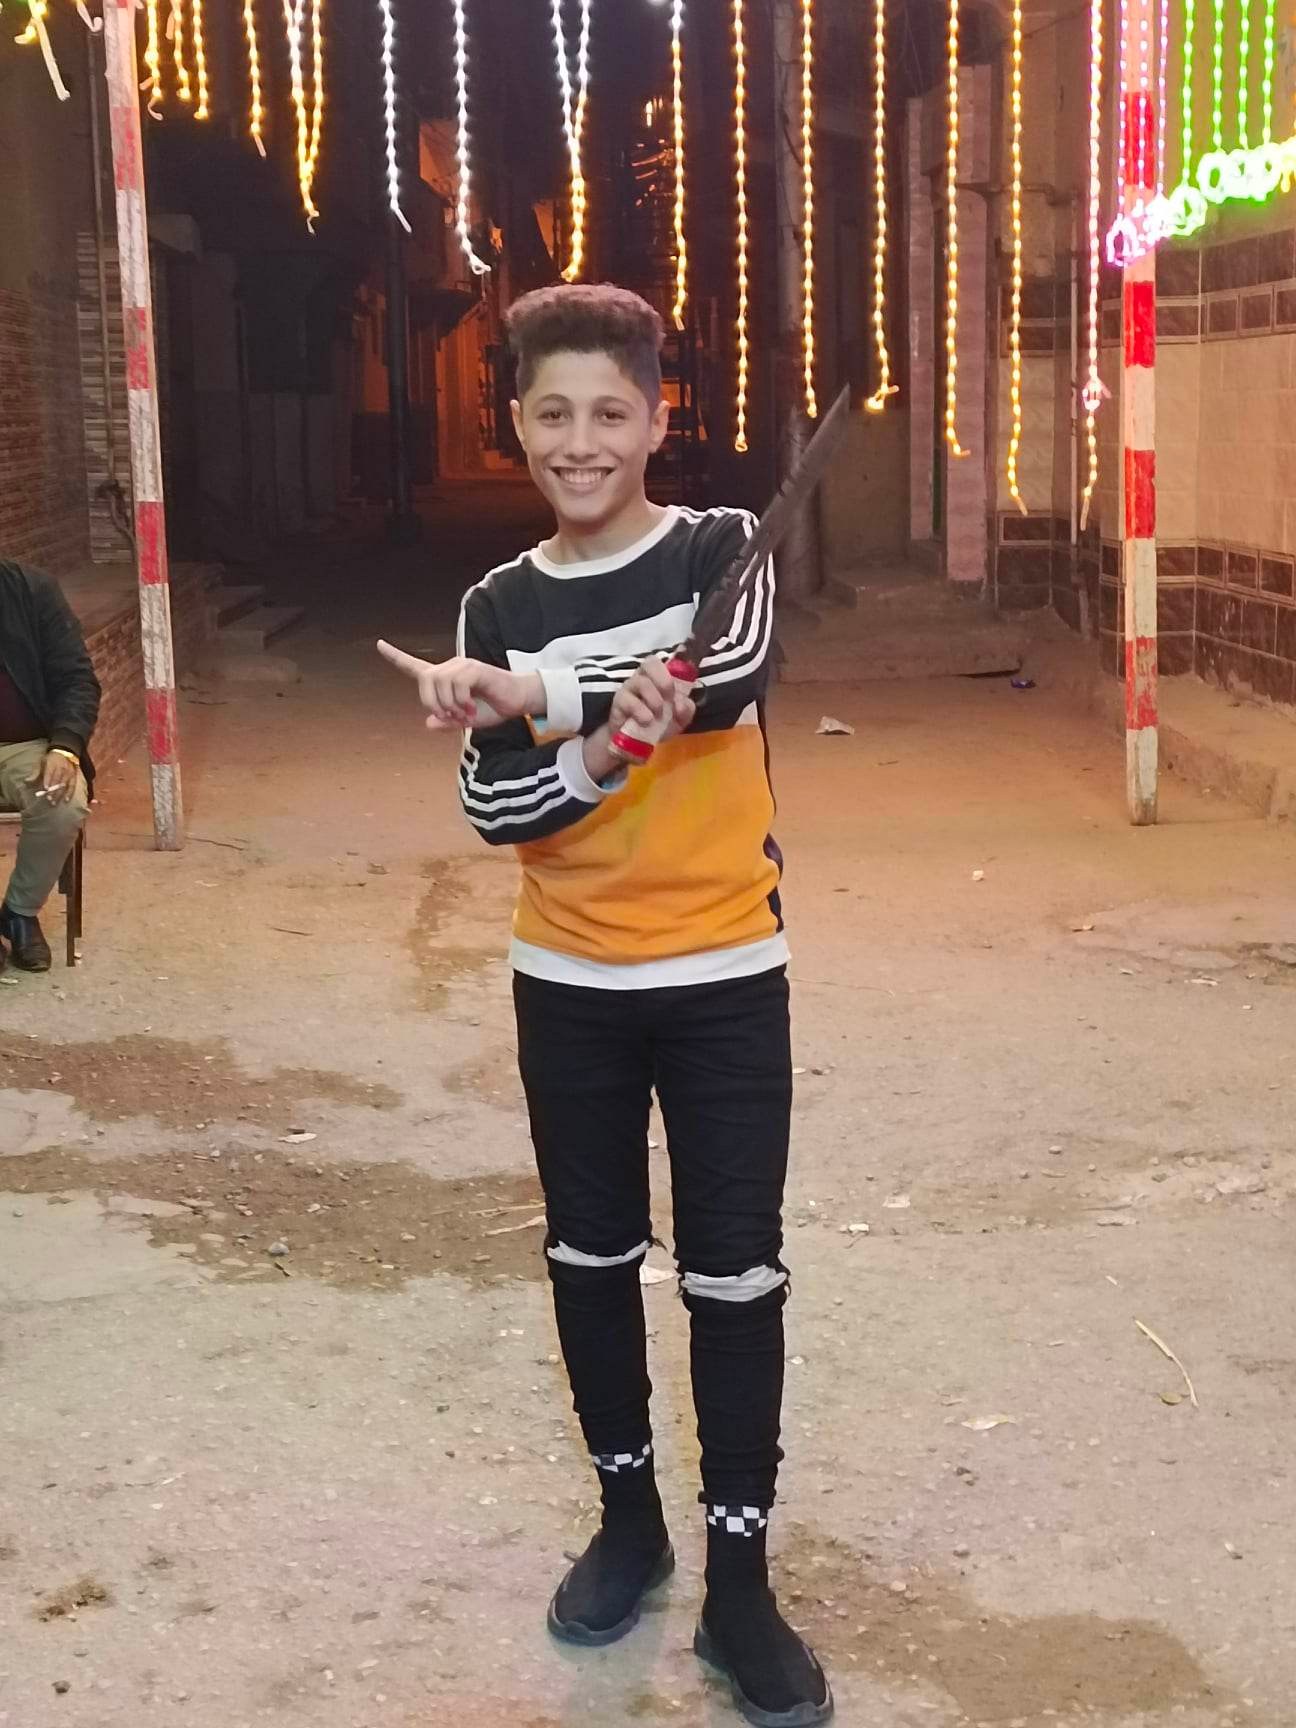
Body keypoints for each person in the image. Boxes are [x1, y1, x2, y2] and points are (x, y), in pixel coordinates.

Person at [380, 284, 831, 1727]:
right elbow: (496, 807)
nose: (583, 442)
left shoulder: (716, 550)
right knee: (589, 1255)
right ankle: (629, 1524)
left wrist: (538, 694)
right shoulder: (496, 601)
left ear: (654, 420)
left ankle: (742, 1585)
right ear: (519, 424)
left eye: (611, 413)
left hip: (723, 973)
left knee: (734, 1275)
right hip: (568, 982)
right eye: (554, 413)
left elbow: (728, 671)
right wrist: (591, 744)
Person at [0, 560, 99, 973]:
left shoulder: (31, 590)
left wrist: (65, 747)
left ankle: (19, 912)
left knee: (62, 801)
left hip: (26, 745)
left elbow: (77, 679)